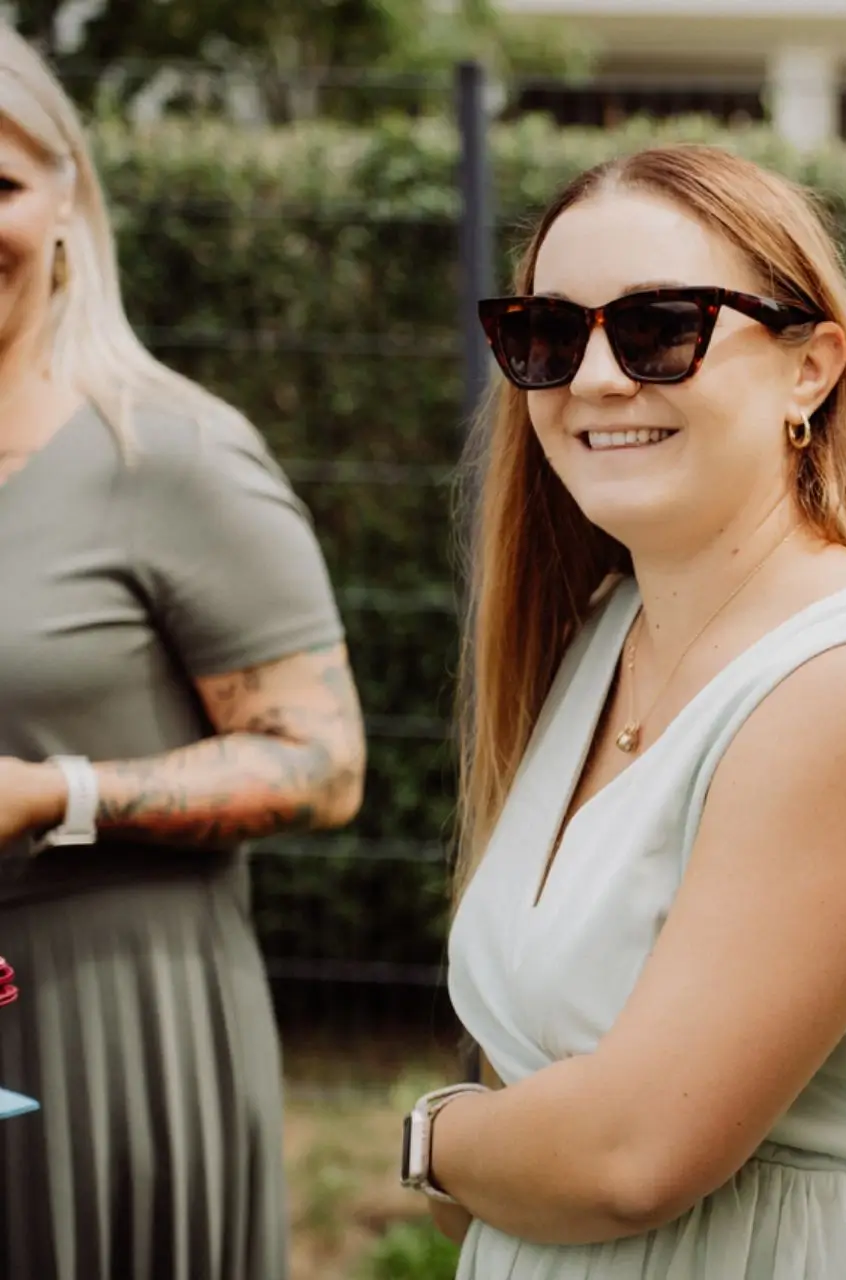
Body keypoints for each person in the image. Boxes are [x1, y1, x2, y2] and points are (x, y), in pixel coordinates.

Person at [410, 143, 846, 1279]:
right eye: (547, 334)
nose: (595, 377)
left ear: (812, 369)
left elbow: (630, 1153)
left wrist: (432, 1139)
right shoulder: (605, 631)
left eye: (659, 327)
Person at [0, 23, 367, 1280]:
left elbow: (324, 763)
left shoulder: (176, 453)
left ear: (65, 204)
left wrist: (61, 792)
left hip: (97, 1018)